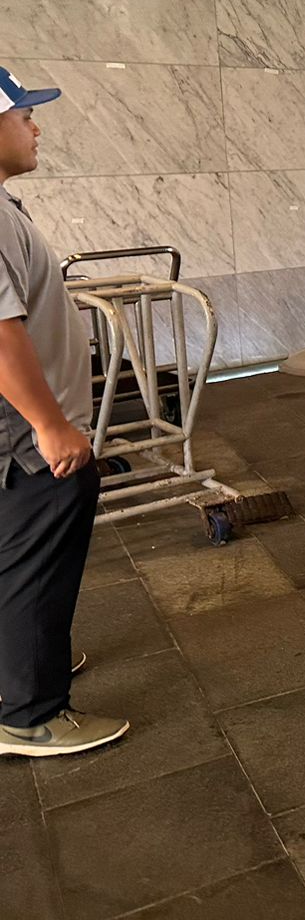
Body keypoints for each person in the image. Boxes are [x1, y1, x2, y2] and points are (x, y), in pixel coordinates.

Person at [0, 67, 128, 756]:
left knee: (17, 558)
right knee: (36, 565)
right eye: (23, 116)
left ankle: (23, 663)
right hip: (25, 433)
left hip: (23, 425)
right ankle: (32, 714)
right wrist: (50, 425)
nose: (36, 127)